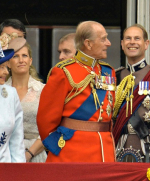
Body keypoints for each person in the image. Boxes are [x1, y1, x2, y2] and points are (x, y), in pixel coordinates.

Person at [37, 21, 116, 162]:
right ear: (88, 43)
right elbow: (46, 120)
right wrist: (57, 147)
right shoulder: (63, 71)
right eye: (103, 39)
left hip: (105, 151)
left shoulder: (108, 72)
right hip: (72, 154)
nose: (108, 43)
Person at [113, 24, 150, 162]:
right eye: (128, 38)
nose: (132, 42)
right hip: (121, 145)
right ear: (122, 44)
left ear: (146, 44)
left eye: (137, 38)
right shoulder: (116, 76)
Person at [5, 39, 47, 162]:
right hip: (6, 154)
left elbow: (50, 129)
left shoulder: (43, 90)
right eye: (15, 56)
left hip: (36, 154)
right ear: (8, 63)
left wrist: (29, 154)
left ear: (30, 61)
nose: (21, 60)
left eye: (24, 56)